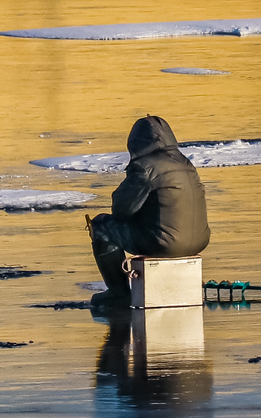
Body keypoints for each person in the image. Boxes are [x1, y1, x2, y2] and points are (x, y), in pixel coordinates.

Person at [87, 115, 212, 312]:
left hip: (164, 243)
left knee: (101, 226)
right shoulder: (185, 163)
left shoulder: (145, 167)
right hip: (199, 239)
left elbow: (122, 210)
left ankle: (119, 293)